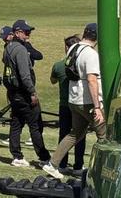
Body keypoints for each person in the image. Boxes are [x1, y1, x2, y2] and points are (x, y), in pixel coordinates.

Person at [43, 23, 106, 180]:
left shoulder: (73, 48)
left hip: (73, 100)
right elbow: (92, 80)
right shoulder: (91, 55)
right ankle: (100, 172)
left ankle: (52, 164)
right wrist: (97, 106)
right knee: (104, 136)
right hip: (88, 102)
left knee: (74, 134)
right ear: (98, 37)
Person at [2, 19, 51, 168]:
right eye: (26, 32)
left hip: (13, 92)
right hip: (23, 93)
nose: (28, 35)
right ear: (17, 33)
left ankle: (16, 155)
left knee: (16, 123)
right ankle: (44, 158)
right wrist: (32, 93)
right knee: (35, 124)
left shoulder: (8, 47)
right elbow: (25, 75)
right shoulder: (21, 50)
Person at [49, 35, 86, 171]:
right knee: (79, 135)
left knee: (64, 134)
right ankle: (78, 165)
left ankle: (62, 164)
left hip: (64, 105)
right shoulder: (83, 64)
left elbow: (52, 80)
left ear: (67, 47)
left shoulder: (58, 66)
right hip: (79, 104)